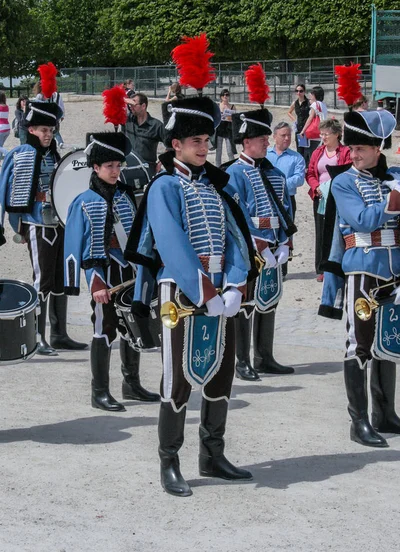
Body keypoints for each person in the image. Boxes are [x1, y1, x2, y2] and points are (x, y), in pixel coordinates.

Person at [125, 93, 254, 497]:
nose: (204, 147)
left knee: (221, 372)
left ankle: (212, 455)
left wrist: (234, 283)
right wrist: (206, 291)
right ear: (175, 144)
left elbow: (235, 239)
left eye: (207, 140)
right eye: (196, 141)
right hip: (180, 294)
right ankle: (170, 461)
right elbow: (171, 244)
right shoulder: (164, 186)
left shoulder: (215, 187)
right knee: (178, 378)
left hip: (219, 293)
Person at [64, 132, 160, 411]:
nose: (116, 172)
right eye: (110, 167)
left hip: (128, 273)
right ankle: (100, 392)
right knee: (104, 329)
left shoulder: (126, 196)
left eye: (119, 166)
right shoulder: (82, 201)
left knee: (132, 326)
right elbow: (74, 246)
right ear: (95, 168)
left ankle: (131, 384)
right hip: (103, 276)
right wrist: (93, 285)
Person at [325, 109, 400, 448]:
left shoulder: (395, 175)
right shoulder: (343, 182)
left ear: (378, 147)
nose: (353, 154)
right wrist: (393, 200)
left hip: (395, 270)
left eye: (361, 149)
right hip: (363, 269)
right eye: (350, 148)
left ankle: (386, 413)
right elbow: (362, 221)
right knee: (360, 343)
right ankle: (359, 420)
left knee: (389, 341)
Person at [0, 101, 87, 356]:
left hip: (60, 223)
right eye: (42, 130)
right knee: (43, 281)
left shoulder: (58, 155)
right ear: (31, 129)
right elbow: (3, 189)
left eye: (50, 129)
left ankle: (59, 334)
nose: (47, 134)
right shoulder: (19, 154)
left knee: (61, 279)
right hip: (37, 223)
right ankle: (38, 337)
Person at [226, 108, 296, 380]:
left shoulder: (275, 174)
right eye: (262, 139)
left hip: (276, 248)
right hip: (252, 250)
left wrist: (285, 243)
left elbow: (286, 209)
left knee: (270, 299)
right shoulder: (234, 173)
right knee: (246, 304)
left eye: (267, 139)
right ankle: (242, 360)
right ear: (246, 142)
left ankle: (264, 356)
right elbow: (238, 214)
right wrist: (260, 245)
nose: (267, 143)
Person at [306, 119, 351, 282]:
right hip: (320, 197)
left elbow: (347, 172)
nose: (323, 137)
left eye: (326, 134)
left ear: (337, 134)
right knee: (321, 232)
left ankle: (338, 266)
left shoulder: (345, 152)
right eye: (322, 134)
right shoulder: (318, 152)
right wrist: (316, 186)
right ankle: (322, 268)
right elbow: (310, 173)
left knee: (337, 232)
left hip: (338, 198)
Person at [267, 121, 305, 277]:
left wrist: (278, 184)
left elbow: (299, 179)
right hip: (267, 200)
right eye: (283, 135)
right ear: (274, 137)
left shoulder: (297, 158)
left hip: (287, 200)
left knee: (286, 231)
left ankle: (282, 269)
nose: (287, 138)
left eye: (289, 135)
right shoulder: (265, 155)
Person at [122, 92, 165, 177]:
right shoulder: (127, 120)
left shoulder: (156, 125)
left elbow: (171, 144)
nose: (131, 106)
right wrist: (127, 100)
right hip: (128, 168)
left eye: (134, 103)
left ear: (143, 106)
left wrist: (161, 162)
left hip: (147, 170)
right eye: (130, 104)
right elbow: (114, 104)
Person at [299, 85, 328, 167]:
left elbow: (310, 119)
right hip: (321, 133)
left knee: (312, 156)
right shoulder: (323, 105)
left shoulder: (315, 104)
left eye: (312, 93)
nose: (310, 95)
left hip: (313, 134)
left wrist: (303, 130)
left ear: (315, 94)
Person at [32, 80, 65, 146]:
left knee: (48, 132)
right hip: (55, 117)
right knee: (54, 131)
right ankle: (59, 142)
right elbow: (61, 107)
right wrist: (61, 116)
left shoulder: (40, 95)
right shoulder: (57, 95)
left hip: (45, 118)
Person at [215, 89, 237, 167]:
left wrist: (231, 118)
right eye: (223, 95)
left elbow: (235, 119)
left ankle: (232, 167)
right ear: (221, 97)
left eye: (227, 95)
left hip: (228, 130)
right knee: (218, 151)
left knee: (229, 151)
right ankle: (218, 168)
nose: (225, 96)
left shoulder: (232, 107)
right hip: (219, 130)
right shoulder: (217, 106)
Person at [287, 84, 310, 159]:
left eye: (301, 91)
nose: (298, 93)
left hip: (307, 128)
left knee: (306, 149)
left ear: (304, 92)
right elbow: (289, 112)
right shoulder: (295, 103)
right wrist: (294, 120)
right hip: (298, 128)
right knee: (299, 149)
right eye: (297, 91)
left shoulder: (309, 103)